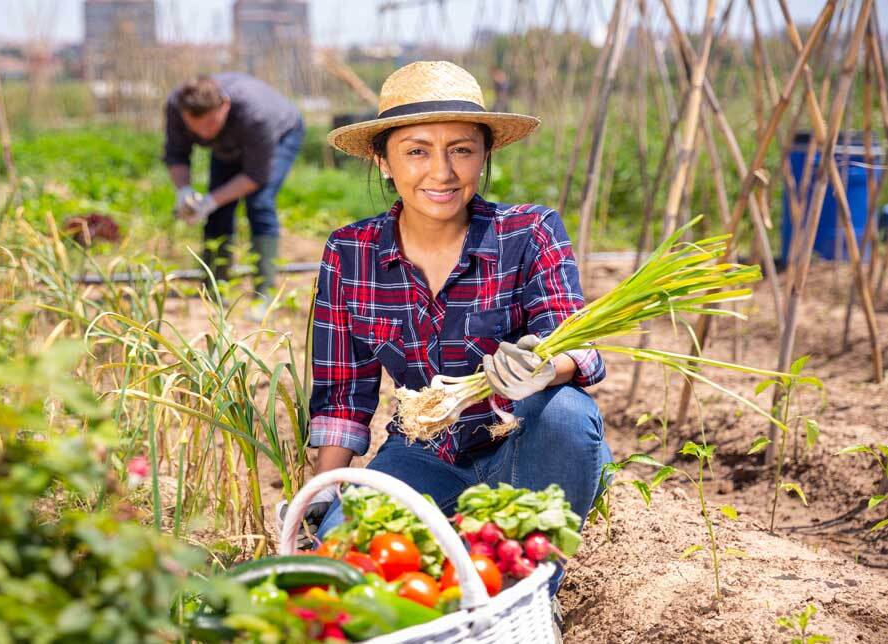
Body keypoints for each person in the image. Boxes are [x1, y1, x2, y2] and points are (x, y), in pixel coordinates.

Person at [305, 61, 613, 604]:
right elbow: (343, 393)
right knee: (347, 566)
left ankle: (532, 600)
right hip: (422, 449)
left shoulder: (529, 232)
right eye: (417, 150)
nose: (442, 173)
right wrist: (322, 494)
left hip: (526, 442)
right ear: (383, 159)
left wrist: (546, 366)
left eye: (462, 150)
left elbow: (578, 346)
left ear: (485, 154)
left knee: (567, 412)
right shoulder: (350, 252)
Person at [163, 74, 304, 305]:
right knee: (218, 210)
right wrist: (184, 191)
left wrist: (210, 200)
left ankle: (263, 295)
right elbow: (176, 153)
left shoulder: (256, 114)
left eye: (210, 124)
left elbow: (255, 176)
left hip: (280, 134)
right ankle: (215, 288)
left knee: (259, 203)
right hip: (228, 145)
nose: (204, 134)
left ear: (225, 105)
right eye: (195, 128)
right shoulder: (176, 106)